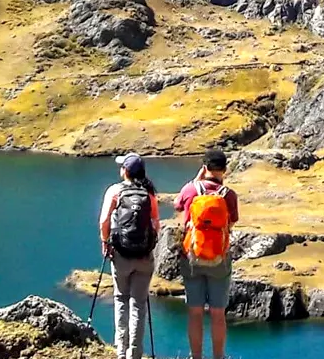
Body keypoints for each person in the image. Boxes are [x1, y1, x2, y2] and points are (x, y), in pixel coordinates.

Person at [175, 148, 239, 359]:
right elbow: (231, 223)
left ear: (204, 168)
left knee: (195, 313)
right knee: (218, 314)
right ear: (224, 171)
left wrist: (195, 181)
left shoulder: (190, 190)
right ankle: (219, 357)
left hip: (193, 257)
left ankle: (196, 356)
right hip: (219, 259)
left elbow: (177, 205)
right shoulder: (229, 195)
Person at [98, 153, 160, 359]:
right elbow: (155, 225)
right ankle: (135, 353)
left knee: (121, 299)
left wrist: (105, 242)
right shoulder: (149, 193)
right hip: (144, 256)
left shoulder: (115, 191)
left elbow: (104, 221)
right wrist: (148, 246)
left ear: (125, 171)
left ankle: (120, 352)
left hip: (121, 255)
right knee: (139, 304)